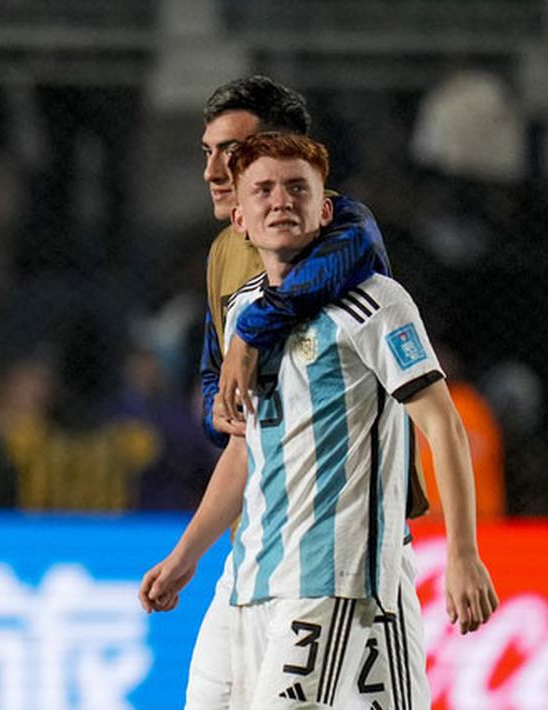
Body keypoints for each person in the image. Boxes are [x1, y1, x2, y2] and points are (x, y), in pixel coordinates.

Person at [162, 132, 500, 707]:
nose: (280, 201)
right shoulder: (243, 311)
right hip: (251, 573)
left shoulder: (374, 302)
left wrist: (464, 552)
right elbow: (245, 451)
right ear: (239, 217)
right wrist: (185, 556)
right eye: (263, 190)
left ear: (325, 209)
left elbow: (442, 425)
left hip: (329, 572)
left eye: (297, 187)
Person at [142, 75, 405, 709]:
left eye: (230, 151)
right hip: (259, 540)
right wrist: (218, 408)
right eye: (206, 152)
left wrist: (254, 331)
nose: (212, 169)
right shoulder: (224, 255)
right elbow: (220, 397)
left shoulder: (345, 230)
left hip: (346, 550)